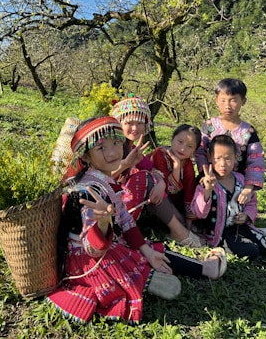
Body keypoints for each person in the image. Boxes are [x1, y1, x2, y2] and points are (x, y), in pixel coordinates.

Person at [47, 116, 227, 324]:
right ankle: (156, 276)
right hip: (90, 261)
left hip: (109, 245)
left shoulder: (103, 179)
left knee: (150, 250)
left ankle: (171, 272)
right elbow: (92, 249)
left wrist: (146, 250)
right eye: (101, 148)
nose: (113, 152)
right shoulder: (88, 193)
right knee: (139, 256)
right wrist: (103, 224)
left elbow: (126, 220)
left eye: (115, 143)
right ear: (86, 157)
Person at [111, 96, 203, 248]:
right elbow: (101, 177)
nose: (135, 128)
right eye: (129, 123)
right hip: (108, 206)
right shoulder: (112, 146)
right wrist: (125, 164)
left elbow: (151, 168)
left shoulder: (132, 148)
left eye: (140, 123)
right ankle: (180, 233)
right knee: (145, 178)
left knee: (151, 178)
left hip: (128, 203)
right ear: (118, 122)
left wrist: (160, 182)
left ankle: (180, 230)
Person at [195, 78, 266, 239]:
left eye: (233, 100)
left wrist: (249, 187)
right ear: (216, 100)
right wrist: (205, 175)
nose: (227, 105)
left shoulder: (248, 132)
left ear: (243, 101)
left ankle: (246, 227)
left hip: (237, 183)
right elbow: (200, 152)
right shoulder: (209, 125)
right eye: (223, 100)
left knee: (238, 211)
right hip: (210, 181)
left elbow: (256, 162)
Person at [191, 134, 266, 260]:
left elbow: (251, 202)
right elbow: (198, 213)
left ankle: (254, 233)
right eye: (218, 158)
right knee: (251, 252)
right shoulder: (206, 182)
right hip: (221, 233)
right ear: (210, 158)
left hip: (241, 226)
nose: (223, 164)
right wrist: (207, 191)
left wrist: (247, 216)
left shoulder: (240, 179)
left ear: (236, 158)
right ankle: (244, 242)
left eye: (228, 159)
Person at [149, 124, 202, 237]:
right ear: (172, 139)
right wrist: (177, 166)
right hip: (158, 200)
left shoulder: (187, 163)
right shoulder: (159, 155)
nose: (182, 149)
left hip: (176, 203)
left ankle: (185, 227)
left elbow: (189, 191)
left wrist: (188, 225)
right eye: (180, 142)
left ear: (194, 151)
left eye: (189, 146)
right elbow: (168, 189)